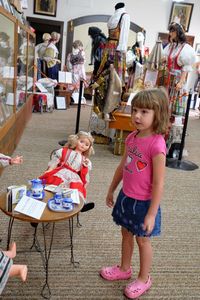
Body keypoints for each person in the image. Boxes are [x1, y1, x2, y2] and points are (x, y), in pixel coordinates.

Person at [100, 88, 169, 299]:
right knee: (125, 233)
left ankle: (143, 278)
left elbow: (159, 183)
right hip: (126, 197)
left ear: (158, 114)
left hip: (144, 203)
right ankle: (124, 268)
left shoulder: (157, 145)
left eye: (144, 111)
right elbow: (123, 166)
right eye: (135, 110)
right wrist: (112, 189)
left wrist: (151, 213)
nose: (137, 116)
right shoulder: (132, 137)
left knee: (143, 241)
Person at [39, 131, 95, 210]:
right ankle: (45, 200)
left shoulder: (85, 159)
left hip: (74, 176)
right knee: (55, 182)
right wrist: (50, 169)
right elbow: (56, 160)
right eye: (81, 142)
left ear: (89, 148)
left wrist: (85, 166)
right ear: (76, 140)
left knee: (76, 187)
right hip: (62, 171)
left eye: (87, 145)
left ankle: (81, 203)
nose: (83, 145)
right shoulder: (65, 151)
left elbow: (85, 173)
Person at [96, 2, 130, 85]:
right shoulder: (125, 16)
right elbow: (124, 34)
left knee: (106, 66)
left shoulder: (114, 17)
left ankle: (105, 85)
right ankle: (115, 86)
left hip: (109, 46)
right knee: (116, 68)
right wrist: (122, 50)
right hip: (117, 47)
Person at [163, 22, 196, 91]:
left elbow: (186, 67)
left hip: (177, 80)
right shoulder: (171, 46)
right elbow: (165, 60)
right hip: (168, 78)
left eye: (172, 31)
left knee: (173, 99)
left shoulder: (186, 49)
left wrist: (181, 82)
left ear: (178, 32)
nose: (170, 33)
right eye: (170, 31)